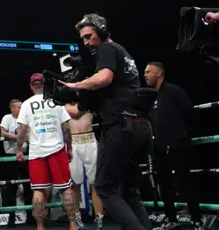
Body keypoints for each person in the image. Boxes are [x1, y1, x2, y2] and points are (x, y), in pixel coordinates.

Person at [61, 14, 152, 230]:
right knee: (129, 190)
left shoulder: (107, 49)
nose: (86, 43)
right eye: (83, 39)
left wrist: (77, 85)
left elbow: (103, 79)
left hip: (121, 125)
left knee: (105, 188)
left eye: (89, 36)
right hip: (139, 125)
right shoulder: (123, 53)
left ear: (101, 31)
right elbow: (82, 108)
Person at [16, 73, 82, 230]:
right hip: (57, 150)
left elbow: (22, 130)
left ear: (31, 86)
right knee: (66, 188)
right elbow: (66, 128)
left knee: (38, 190)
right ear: (44, 85)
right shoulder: (56, 101)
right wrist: (70, 148)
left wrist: (19, 149)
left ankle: (40, 227)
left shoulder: (26, 104)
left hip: (36, 152)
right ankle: (73, 224)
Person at [144, 62, 202, 230]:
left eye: (149, 72)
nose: (145, 75)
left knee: (185, 182)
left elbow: (190, 114)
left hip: (177, 145)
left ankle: (197, 220)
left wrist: (182, 135)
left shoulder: (174, 91)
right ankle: (171, 219)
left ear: (159, 73)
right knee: (164, 183)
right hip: (159, 147)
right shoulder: (152, 96)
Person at [64, 102, 104, 230]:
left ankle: (99, 219)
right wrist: (86, 107)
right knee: (75, 184)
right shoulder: (62, 106)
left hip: (90, 141)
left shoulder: (89, 100)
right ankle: (76, 220)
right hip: (73, 143)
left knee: (95, 183)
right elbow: (76, 112)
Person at [0, 99, 32, 227]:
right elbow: (1, 132)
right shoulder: (7, 118)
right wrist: (16, 137)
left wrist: (25, 138)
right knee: (11, 188)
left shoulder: (26, 117)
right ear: (12, 109)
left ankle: (30, 216)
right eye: (19, 107)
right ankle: (11, 218)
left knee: (29, 186)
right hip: (10, 156)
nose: (21, 109)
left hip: (25, 155)